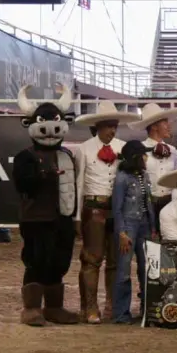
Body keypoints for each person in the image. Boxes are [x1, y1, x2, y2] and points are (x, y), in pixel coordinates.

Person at [13, 86, 79, 327]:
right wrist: (46, 175)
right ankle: (31, 308)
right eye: (42, 121)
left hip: (63, 218)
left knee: (60, 261)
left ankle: (54, 307)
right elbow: (22, 184)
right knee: (36, 261)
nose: (50, 128)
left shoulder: (67, 155)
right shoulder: (25, 156)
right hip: (36, 219)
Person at [74, 101, 141, 324]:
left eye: (115, 126)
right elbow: (79, 183)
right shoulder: (84, 149)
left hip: (117, 210)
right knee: (92, 259)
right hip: (93, 207)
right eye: (108, 126)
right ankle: (90, 306)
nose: (112, 130)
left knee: (115, 260)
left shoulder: (123, 147)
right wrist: (76, 216)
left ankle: (112, 304)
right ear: (98, 126)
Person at [111, 140, 155, 324]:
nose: (147, 157)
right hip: (128, 227)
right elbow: (117, 208)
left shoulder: (144, 175)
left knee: (147, 269)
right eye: (144, 154)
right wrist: (121, 232)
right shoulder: (122, 178)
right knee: (124, 271)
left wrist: (153, 227)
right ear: (137, 157)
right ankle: (121, 314)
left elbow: (149, 204)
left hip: (143, 225)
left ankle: (147, 311)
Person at [128, 103, 177, 229]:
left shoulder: (173, 150)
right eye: (165, 122)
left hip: (171, 204)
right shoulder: (139, 150)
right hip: (147, 206)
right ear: (154, 126)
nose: (169, 126)